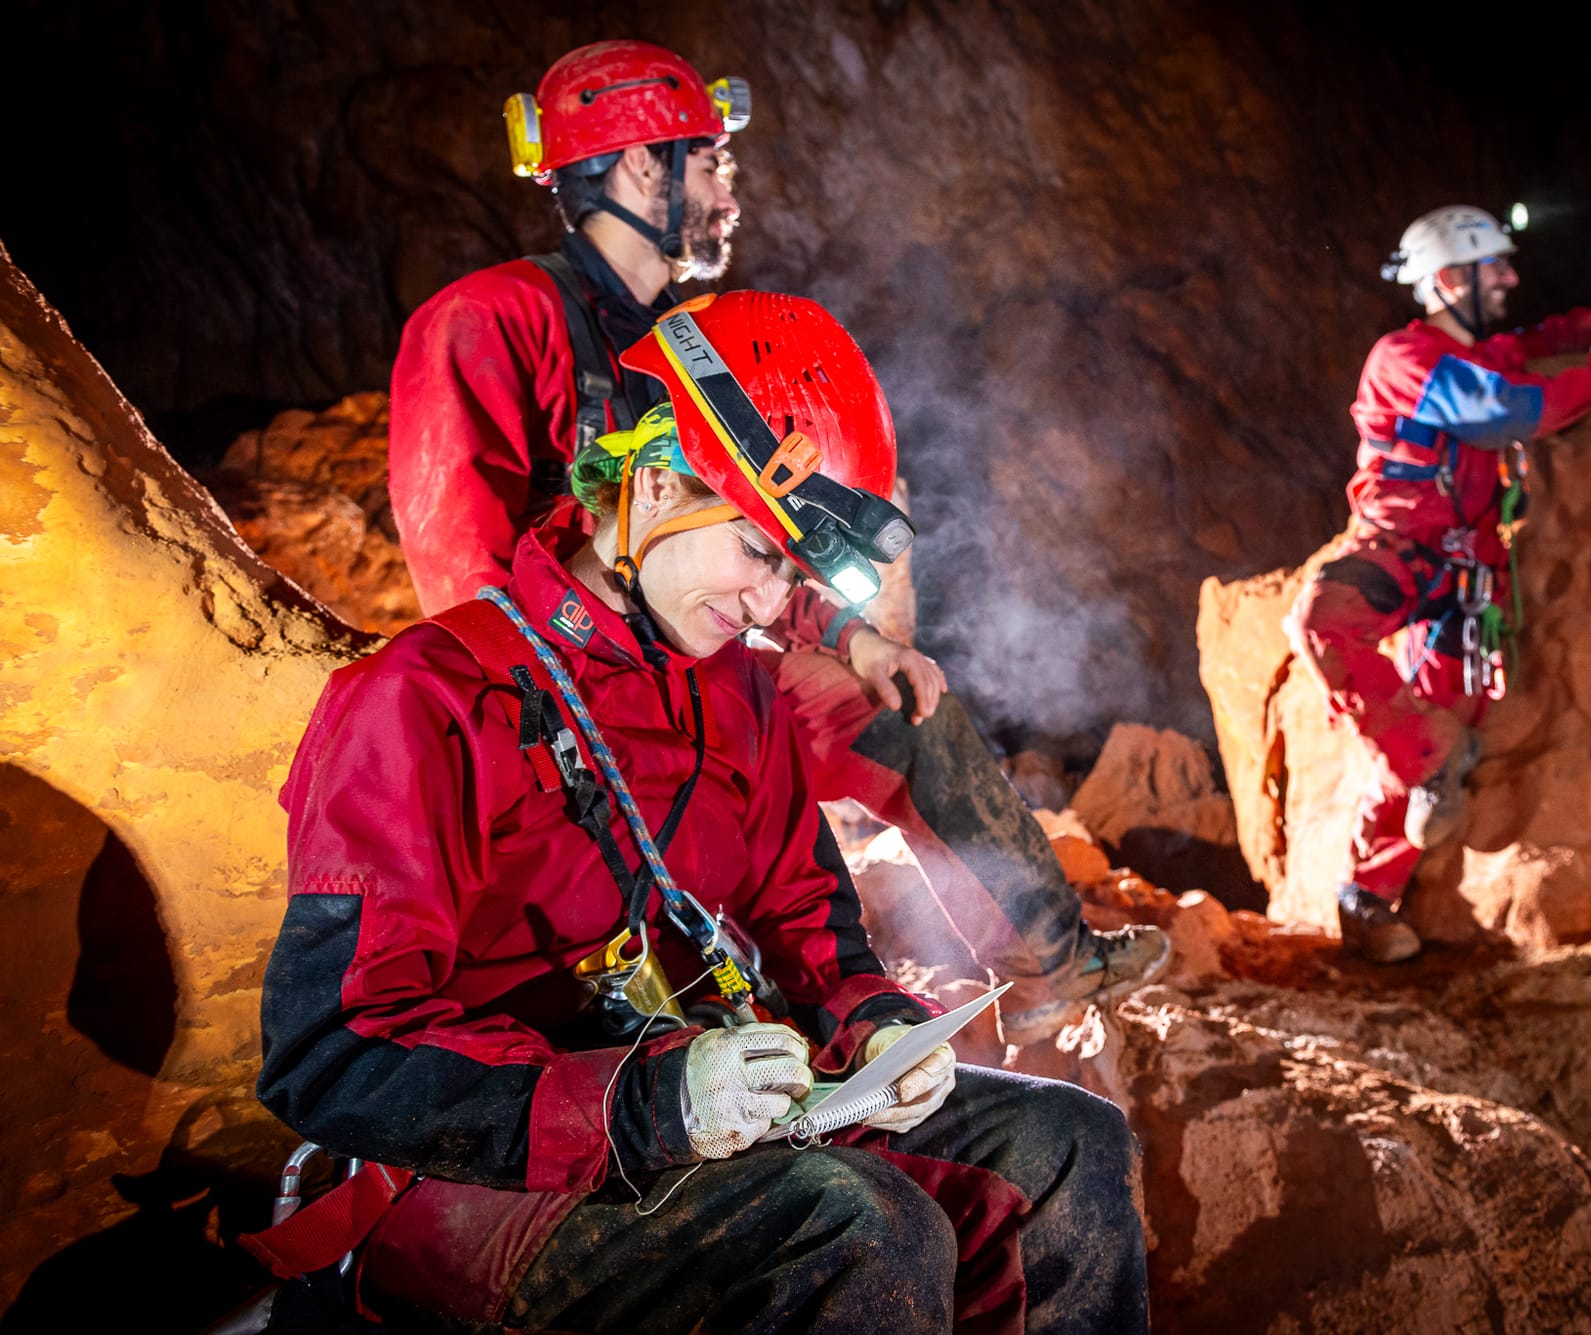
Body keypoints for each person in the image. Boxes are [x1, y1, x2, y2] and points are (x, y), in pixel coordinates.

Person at [253, 291, 1150, 1333]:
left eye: (792, 574)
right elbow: (334, 1051)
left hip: (698, 1103)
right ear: (653, 482)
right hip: (482, 1168)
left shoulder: (738, 693)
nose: (772, 609)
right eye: (758, 555)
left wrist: (879, 1032)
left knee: (1070, 1149)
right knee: (859, 1228)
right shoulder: (421, 703)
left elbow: (810, 926)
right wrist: (641, 1101)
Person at [387, 38, 1166, 1040]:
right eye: (708, 162)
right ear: (637, 165)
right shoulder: (492, 320)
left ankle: (1048, 966)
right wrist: (541, 722)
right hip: (573, 699)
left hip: (698, 667)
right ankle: (789, 1029)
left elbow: (756, 526)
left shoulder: (703, 344)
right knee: (745, 812)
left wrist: (849, 636)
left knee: (899, 711)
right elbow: (463, 563)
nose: (727, 190)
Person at [1286, 204, 1591, 963]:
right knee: (1327, 628)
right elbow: (1508, 409)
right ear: (1450, 280)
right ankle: (1401, 817)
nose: (1512, 278)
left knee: (1424, 729)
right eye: (1497, 269)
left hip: (1464, 583)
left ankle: (1369, 898)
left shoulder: (1482, 352)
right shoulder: (1405, 358)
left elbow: (1528, 349)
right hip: (1399, 552)